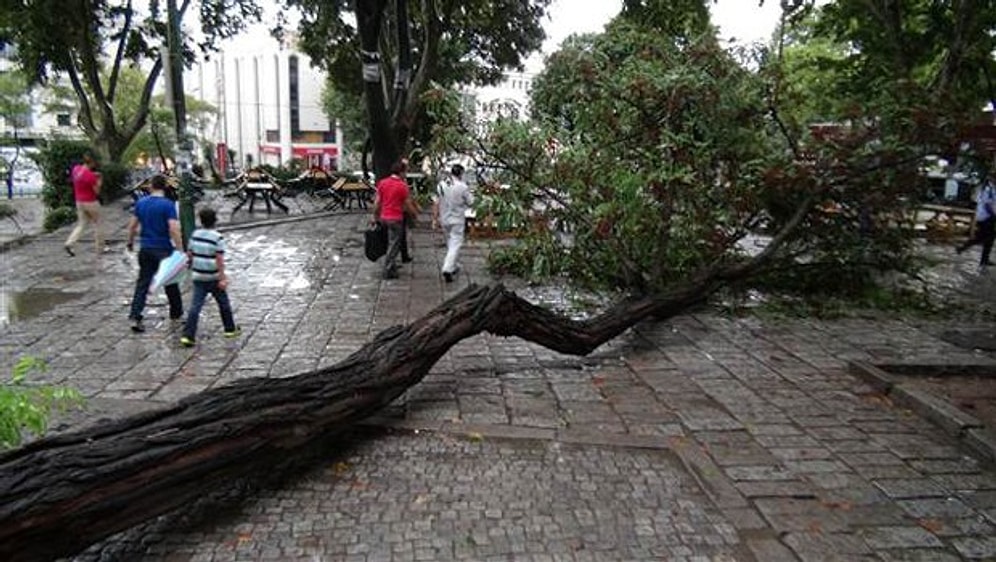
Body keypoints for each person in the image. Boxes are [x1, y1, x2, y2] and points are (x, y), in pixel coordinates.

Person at [126, 174, 184, 333]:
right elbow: (173, 228)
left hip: (146, 248)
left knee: (143, 283)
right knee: (171, 282)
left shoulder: (141, 203)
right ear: (165, 187)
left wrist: (130, 242)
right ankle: (176, 313)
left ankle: (135, 315)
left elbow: (132, 226)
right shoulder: (168, 205)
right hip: (163, 248)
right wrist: (180, 249)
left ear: (151, 186)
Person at [180, 207, 239, 347]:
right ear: (215, 220)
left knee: (195, 306)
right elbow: (219, 258)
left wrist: (189, 265)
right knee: (223, 303)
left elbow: (190, 253)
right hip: (213, 276)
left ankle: (188, 335)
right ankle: (229, 329)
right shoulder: (217, 237)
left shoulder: (195, 235)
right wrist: (222, 277)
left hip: (199, 275)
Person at [372, 160, 418, 280]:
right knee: (394, 245)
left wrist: (375, 216)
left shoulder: (383, 183)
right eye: (405, 172)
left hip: (384, 217)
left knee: (390, 242)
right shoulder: (402, 186)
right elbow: (407, 204)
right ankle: (387, 270)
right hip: (396, 218)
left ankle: (392, 269)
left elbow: (377, 202)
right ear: (401, 172)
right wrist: (414, 214)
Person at [432, 163, 474, 283]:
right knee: (455, 243)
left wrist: (435, 219)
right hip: (457, 219)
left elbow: (436, 202)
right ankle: (448, 268)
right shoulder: (462, 187)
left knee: (451, 244)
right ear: (461, 173)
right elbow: (471, 202)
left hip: (444, 218)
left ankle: (454, 265)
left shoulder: (441, 185)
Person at [64, 152, 105, 256]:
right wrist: (99, 180)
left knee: (81, 224)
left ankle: (70, 242)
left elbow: (81, 177)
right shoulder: (90, 176)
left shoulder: (76, 169)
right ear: (92, 163)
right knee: (99, 224)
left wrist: (94, 175)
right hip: (91, 202)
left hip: (79, 201)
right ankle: (100, 248)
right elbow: (97, 191)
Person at [956, 172, 996, 272]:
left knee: (988, 239)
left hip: (988, 216)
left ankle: (983, 259)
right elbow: (988, 204)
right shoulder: (988, 189)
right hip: (986, 216)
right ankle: (964, 248)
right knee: (984, 238)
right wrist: (994, 215)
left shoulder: (991, 189)